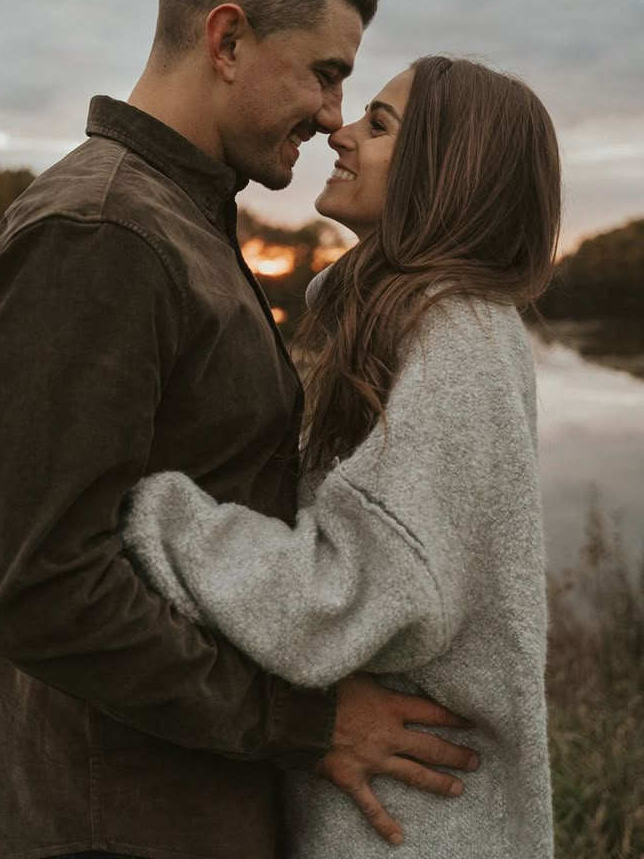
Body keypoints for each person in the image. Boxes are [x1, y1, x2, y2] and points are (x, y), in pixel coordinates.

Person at [0, 0, 478, 859]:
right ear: (226, 39)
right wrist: (307, 724)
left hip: (180, 802)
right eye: (324, 75)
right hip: (111, 818)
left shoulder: (178, 223)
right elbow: (43, 590)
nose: (331, 117)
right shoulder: (100, 237)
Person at [123, 55, 563, 858]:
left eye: (380, 125)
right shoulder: (412, 324)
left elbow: (348, 597)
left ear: (445, 169)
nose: (341, 132)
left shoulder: (457, 337)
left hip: (418, 828)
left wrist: (156, 512)